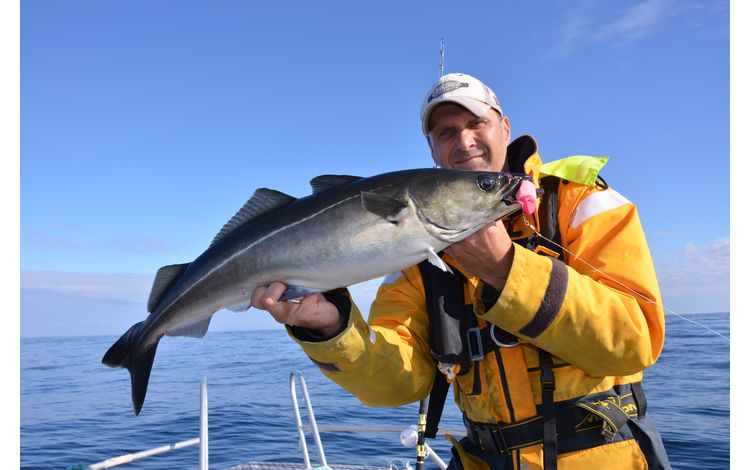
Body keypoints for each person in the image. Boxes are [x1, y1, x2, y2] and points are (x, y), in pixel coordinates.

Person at [251, 73, 670, 469]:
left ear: (504, 127)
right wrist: (329, 327)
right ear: (432, 149)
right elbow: (397, 385)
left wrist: (506, 270)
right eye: (445, 132)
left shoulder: (578, 201)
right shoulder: (415, 252)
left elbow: (636, 340)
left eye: (476, 123)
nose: (464, 141)